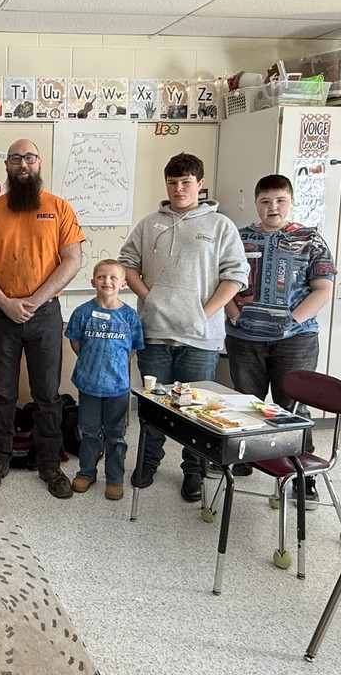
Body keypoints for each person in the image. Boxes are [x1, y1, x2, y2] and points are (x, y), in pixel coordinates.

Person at [119, 152, 249, 501]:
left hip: (199, 337)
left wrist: (204, 313)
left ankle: (193, 473)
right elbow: (126, 264)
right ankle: (147, 463)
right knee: (155, 406)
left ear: (200, 184)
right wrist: (151, 297)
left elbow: (236, 276)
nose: (179, 189)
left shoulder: (220, 226)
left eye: (186, 182)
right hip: (155, 333)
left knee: (195, 412)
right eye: (173, 183)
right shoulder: (149, 224)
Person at [0, 138, 84, 498]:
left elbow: (73, 260)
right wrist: (5, 302)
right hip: (2, 314)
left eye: (29, 158)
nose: (22, 164)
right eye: (15, 158)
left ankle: (49, 462)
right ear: (6, 165)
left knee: (47, 394)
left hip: (45, 313)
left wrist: (33, 300)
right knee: (1, 392)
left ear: (39, 163)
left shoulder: (59, 208)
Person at [224, 173, 336, 506]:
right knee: (247, 403)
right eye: (265, 201)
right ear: (255, 203)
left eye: (279, 201)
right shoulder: (238, 238)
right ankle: (243, 461)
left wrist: (290, 321)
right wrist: (233, 314)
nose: (272, 208)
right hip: (245, 337)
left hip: (295, 339)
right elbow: (222, 281)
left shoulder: (310, 239)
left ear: (290, 201)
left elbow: (323, 288)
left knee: (292, 408)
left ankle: (302, 475)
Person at [64, 259, 144, 500]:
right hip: (88, 385)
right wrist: (92, 364)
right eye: (101, 277)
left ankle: (114, 478)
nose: (106, 282)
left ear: (123, 284)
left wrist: (115, 366)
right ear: (93, 282)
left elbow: (133, 349)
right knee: (89, 433)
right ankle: (86, 473)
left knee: (116, 434)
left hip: (117, 388)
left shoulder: (129, 317)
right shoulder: (82, 313)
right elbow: (75, 342)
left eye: (112, 278)